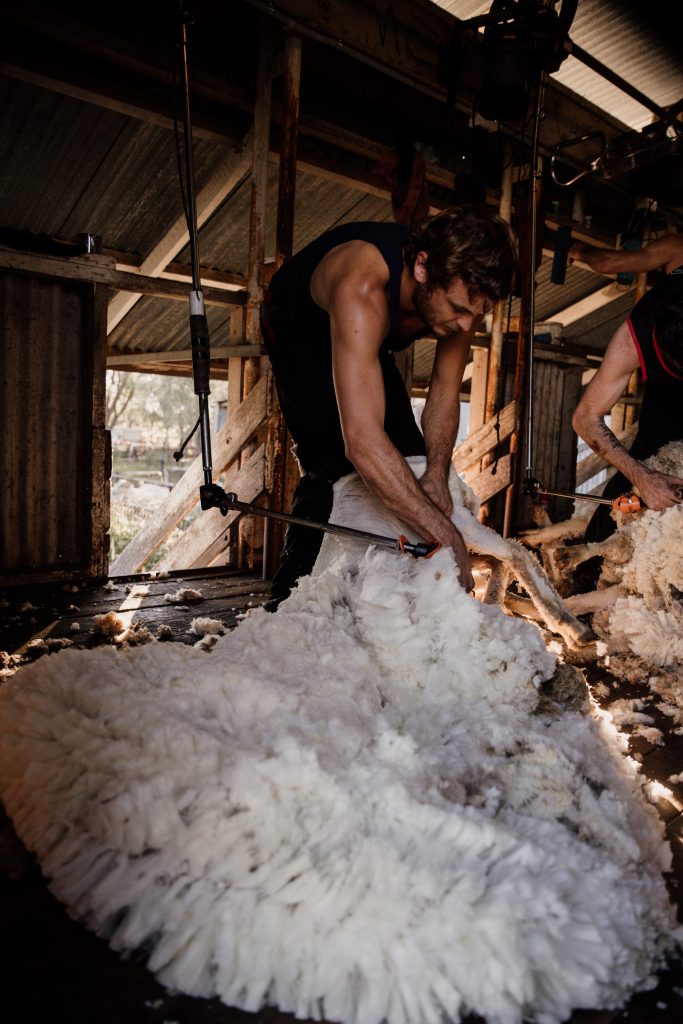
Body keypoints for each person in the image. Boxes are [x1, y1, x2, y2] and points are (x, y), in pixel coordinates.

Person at [261, 205, 517, 607]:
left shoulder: (461, 296)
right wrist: (446, 537)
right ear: (421, 267)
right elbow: (361, 441)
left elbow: (445, 392)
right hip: (298, 327)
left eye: (477, 313)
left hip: (363, 338)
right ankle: (290, 601)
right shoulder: (362, 285)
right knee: (333, 466)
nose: (468, 325)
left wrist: (435, 471)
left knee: (409, 463)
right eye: (459, 310)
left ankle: (391, 601)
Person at [569, 233, 683, 542]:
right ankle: (590, 564)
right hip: (666, 403)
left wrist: (580, 251)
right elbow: (585, 417)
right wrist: (642, 477)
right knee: (637, 476)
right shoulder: (635, 337)